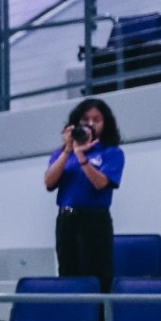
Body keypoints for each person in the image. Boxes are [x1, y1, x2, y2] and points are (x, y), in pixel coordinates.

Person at [44, 97, 125, 293]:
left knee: (97, 275)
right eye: (85, 119)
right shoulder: (62, 153)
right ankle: (72, 312)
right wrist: (68, 150)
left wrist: (81, 156)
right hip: (67, 219)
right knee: (67, 273)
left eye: (96, 120)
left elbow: (100, 183)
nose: (90, 124)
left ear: (105, 123)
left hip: (94, 220)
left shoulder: (111, 152)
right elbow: (49, 182)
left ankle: (98, 313)